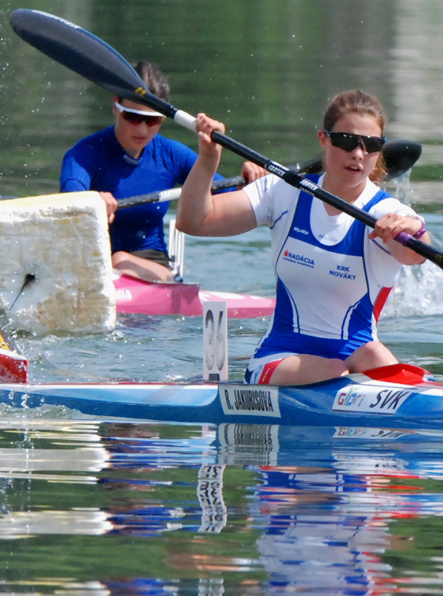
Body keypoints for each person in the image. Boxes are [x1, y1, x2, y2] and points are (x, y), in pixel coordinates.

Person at [175, 89, 428, 386]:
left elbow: (417, 254)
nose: (358, 154)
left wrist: (414, 233)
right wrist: (208, 159)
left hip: (357, 355)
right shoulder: (284, 191)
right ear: (323, 139)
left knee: (375, 357)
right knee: (333, 371)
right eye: (346, 141)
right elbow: (194, 221)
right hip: (282, 356)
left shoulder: (388, 213)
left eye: (371, 145)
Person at [59, 61, 255, 282]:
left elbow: (229, 198)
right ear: (116, 106)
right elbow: (70, 197)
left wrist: (250, 182)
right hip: (90, 260)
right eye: (132, 117)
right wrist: (90, 201)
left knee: (120, 260)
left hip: (151, 264)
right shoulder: (84, 153)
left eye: (152, 120)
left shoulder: (170, 154)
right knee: (116, 261)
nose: (142, 129)